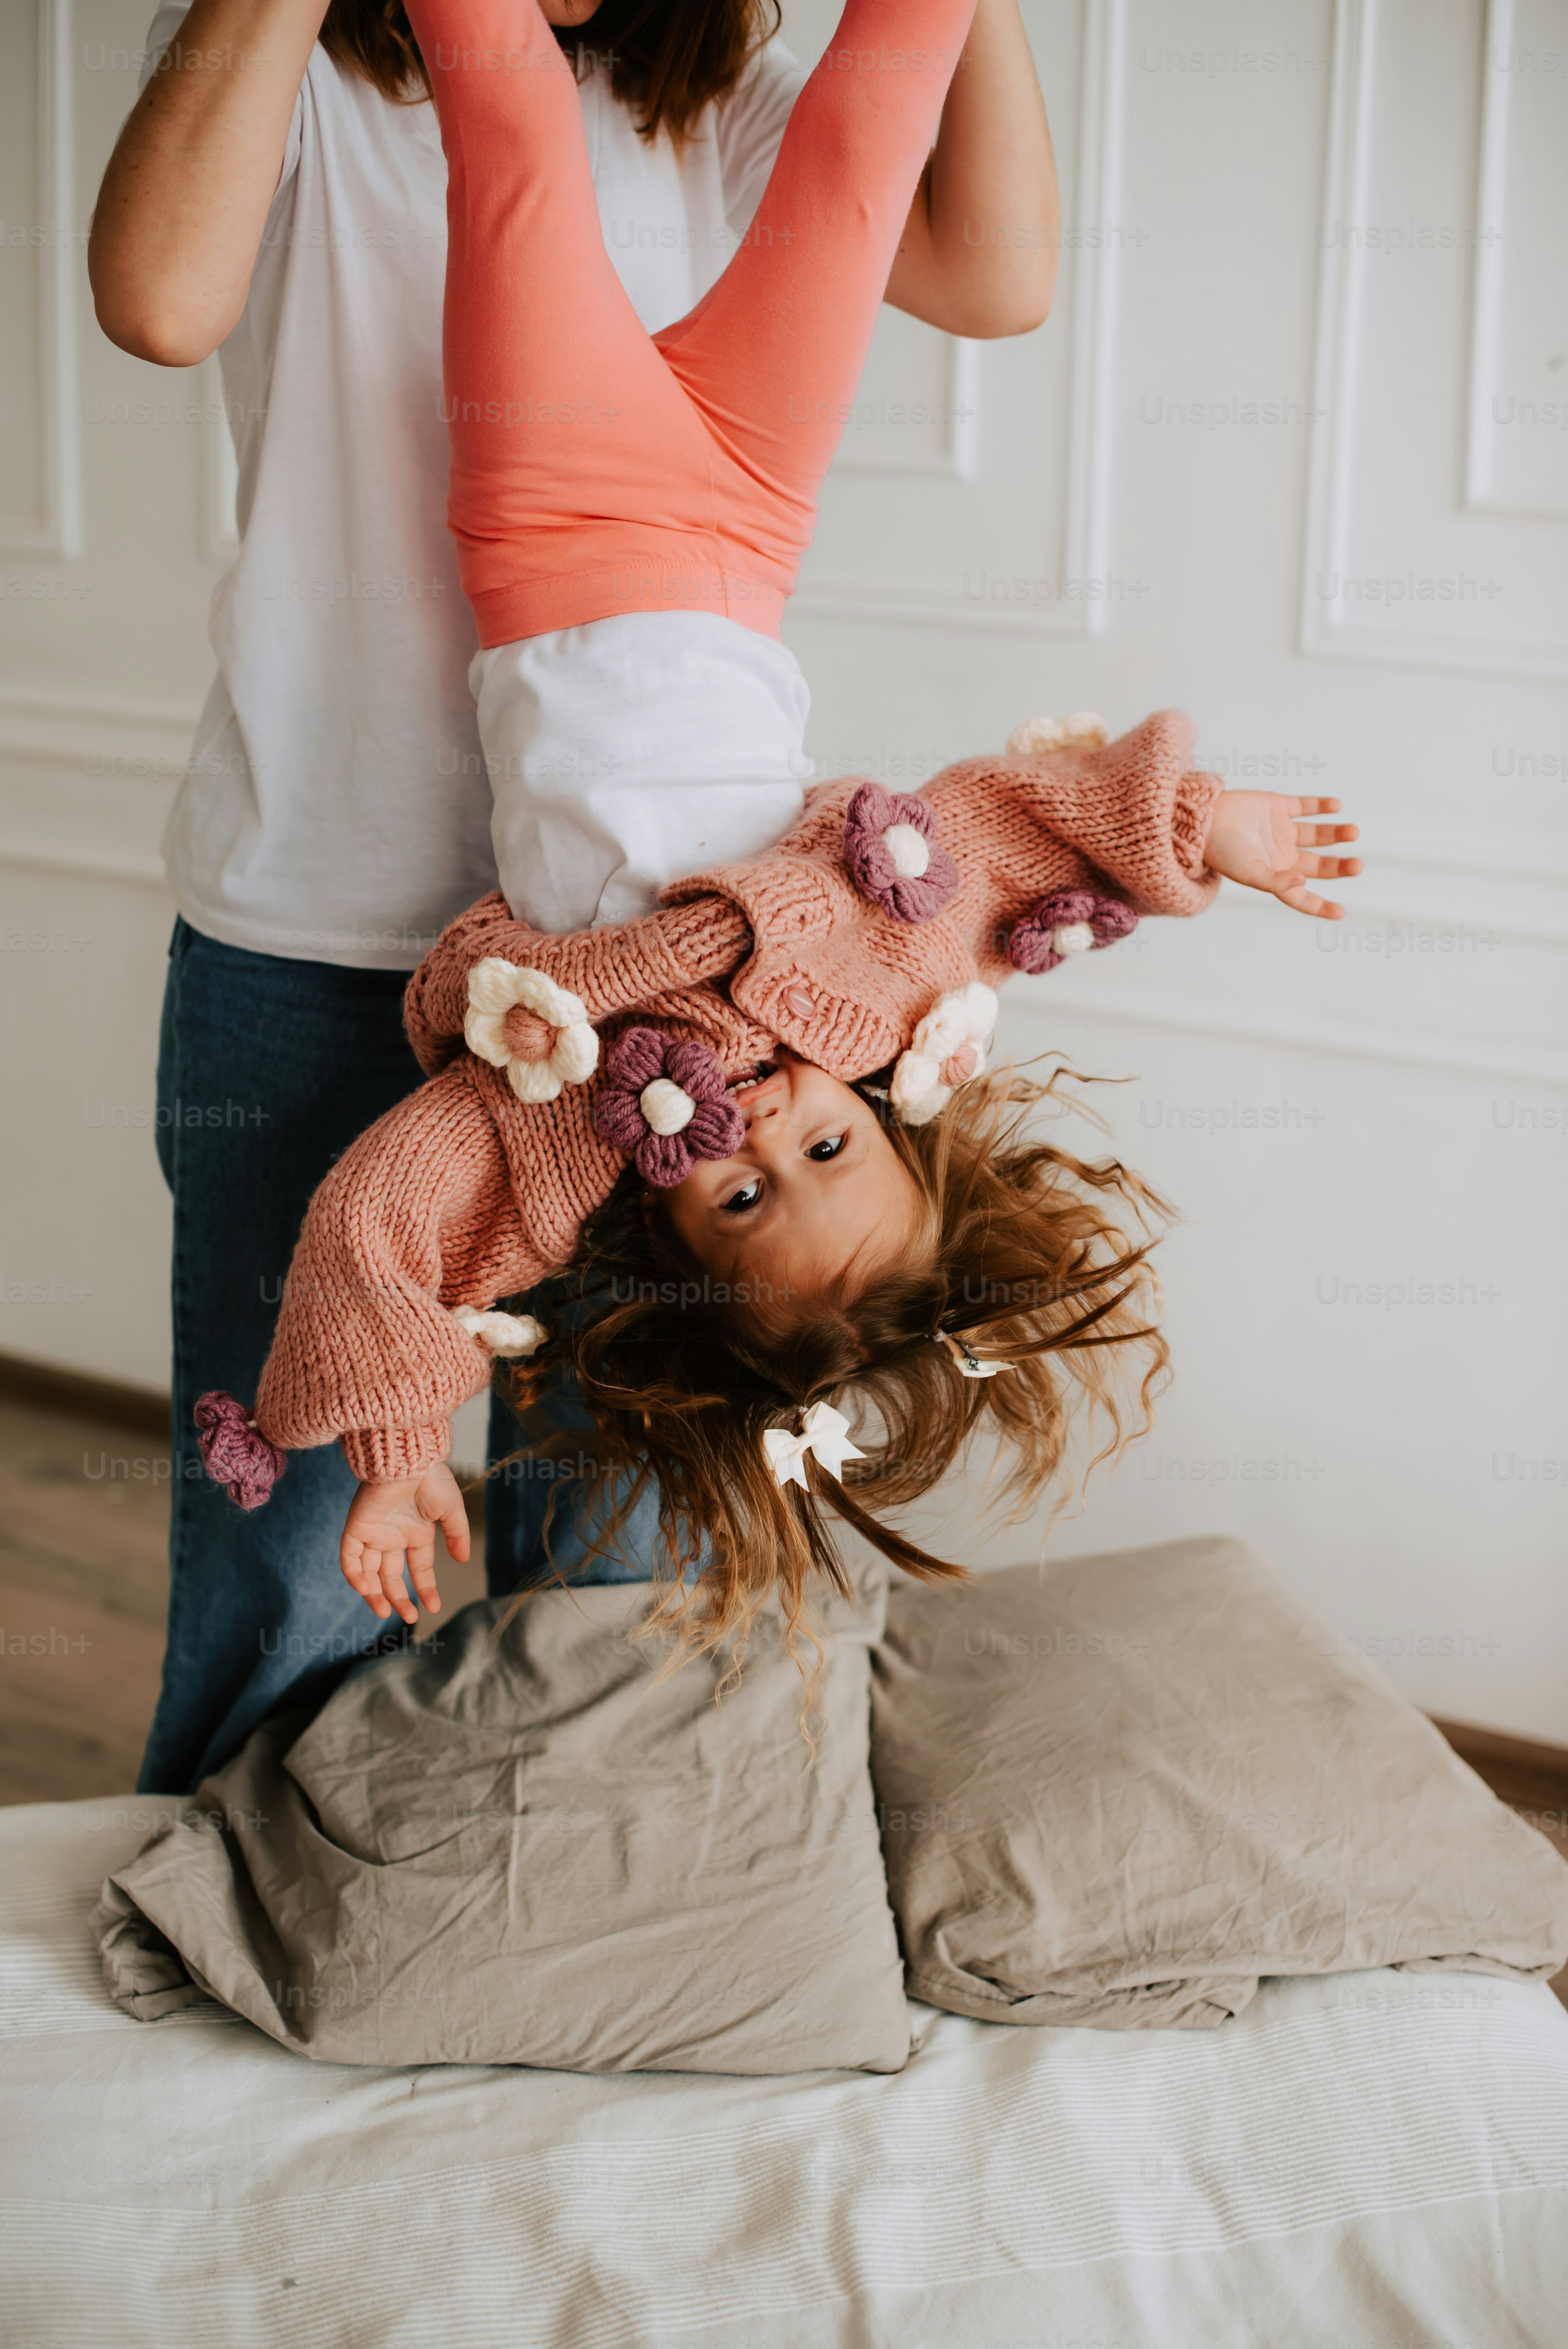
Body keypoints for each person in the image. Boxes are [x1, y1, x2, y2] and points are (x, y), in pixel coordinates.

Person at [193, 0, 1362, 1695]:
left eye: (741, 1195)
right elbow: (1001, 822)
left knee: (501, 112)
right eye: (835, 1162)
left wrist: (391, 1445)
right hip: (749, 508)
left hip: (555, 519)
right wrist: (1209, 830)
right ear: (905, 1143)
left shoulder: (558, 1125)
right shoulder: (883, 991)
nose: (771, 1137)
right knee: (863, 135)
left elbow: (378, 1213)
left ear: (665, 1242)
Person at [89, 0, 1063, 1792]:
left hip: (673, 1010)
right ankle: (243, 1969)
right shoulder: (295, 52)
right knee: (296, 1561)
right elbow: (155, 300)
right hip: (314, 931)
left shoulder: (712, 90)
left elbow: (991, 276)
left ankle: (563, 1991)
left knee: (614, 1586)